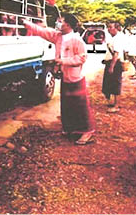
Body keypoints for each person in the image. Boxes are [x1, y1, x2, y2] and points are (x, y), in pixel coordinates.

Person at [23, 13, 95, 145]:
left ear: (67, 24)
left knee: (80, 105)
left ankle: (87, 131)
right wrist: (27, 23)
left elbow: (82, 58)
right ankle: (70, 128)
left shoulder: (77, 40)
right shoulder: (58, 36)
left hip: (76, 77)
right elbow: (42, 31)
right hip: (64, 76)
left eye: (60, 21)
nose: (58, 23)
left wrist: (62, 61)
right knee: (67, 104)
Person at [102, 22, 125, 113]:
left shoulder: (118, 38)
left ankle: (117, 105)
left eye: (111, 27)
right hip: (111, 62)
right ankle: (114, 102)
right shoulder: (113, 38)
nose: (108, 29)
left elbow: (116, 54)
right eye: (108, 27)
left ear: (116, 28)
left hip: (115, 63)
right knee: (110, 83)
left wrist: (112, 66)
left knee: (116, 83)